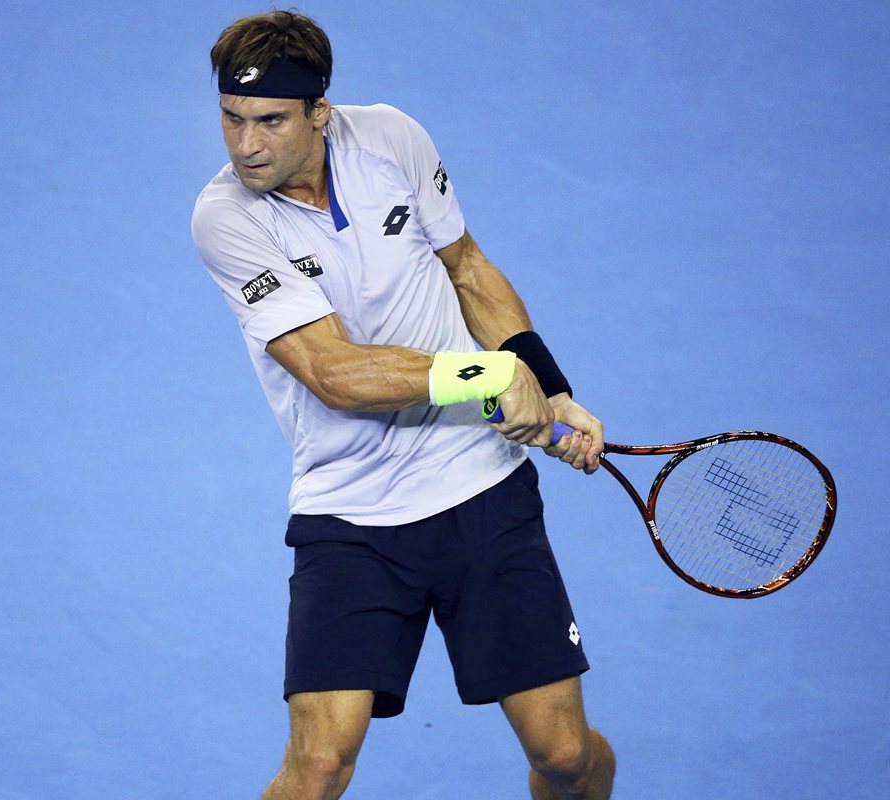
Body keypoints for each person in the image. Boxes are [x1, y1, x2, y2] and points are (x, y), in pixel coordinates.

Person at [191, 10, 616, 800]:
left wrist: (547, 387)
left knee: (565, 756)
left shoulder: (392, 138)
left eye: (270, 120)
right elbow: (332, 372)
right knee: (317, 767)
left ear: (320, 111)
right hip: (350, 513)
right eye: (231, 117)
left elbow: (468, 268)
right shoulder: (225, 219)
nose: (245, 144)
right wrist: (487, 376)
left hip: (480, 486)